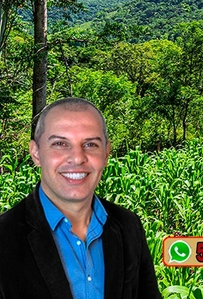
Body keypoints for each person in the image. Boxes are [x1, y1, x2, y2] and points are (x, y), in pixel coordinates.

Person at [0, 97, 161, 299]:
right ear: (36, 153)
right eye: (60, 143)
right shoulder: (4, 237)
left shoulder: (129, 226)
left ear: (106, 153)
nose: (77, 158)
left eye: (91, 144)